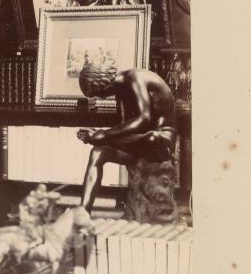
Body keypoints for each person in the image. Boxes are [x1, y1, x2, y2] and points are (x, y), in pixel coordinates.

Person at [75, 61, 179, 212]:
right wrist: (99, 136)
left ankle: (99, 137)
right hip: (140, 143)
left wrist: (103, 135)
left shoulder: (134, 78)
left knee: (151, 137)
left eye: (98, 94)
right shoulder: (120, 90)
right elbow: (125, 129)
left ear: (101, 84)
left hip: (161, 142)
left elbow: (144, 119)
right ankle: (83, 211)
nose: (102, 98)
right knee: (98, 152)